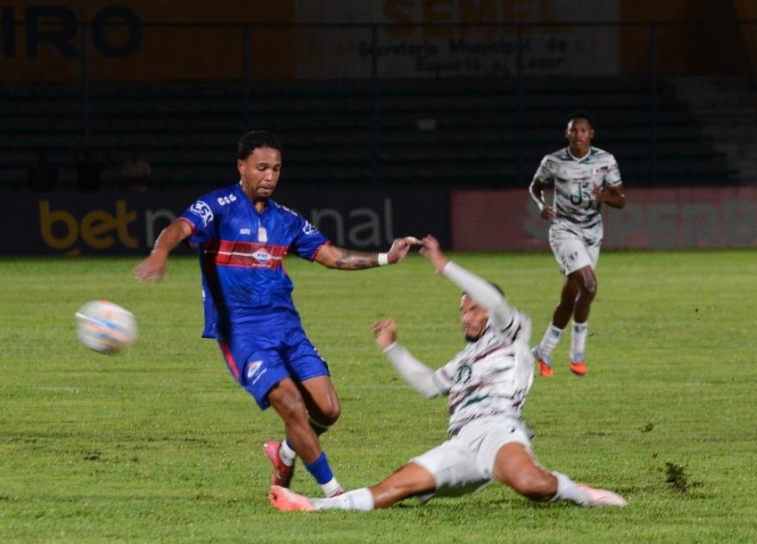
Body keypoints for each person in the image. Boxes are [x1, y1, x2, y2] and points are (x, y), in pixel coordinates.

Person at [134, 130, 418, 498]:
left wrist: (386, 257)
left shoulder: (287, 220)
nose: (269, 176)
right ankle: (335, 492)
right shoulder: (218, 206)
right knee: (288, 400)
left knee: (328, 410)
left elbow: (330, 256)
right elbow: (179, 227)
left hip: (286, 326)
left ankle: (285, 453)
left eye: (276, 169)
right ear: (242, 167)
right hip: (242, 331)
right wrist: (160, 253)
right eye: (261, 168)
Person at [269, 235, 627, 512]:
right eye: (462, 310)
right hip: (460, 442)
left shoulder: (512, 331)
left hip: (499, 431)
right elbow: (428, 386)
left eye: (474, 308)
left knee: (531, 484)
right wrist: (392, 347)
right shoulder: (464, 359)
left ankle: (582, 494)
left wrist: (445, 266)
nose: (467, 315)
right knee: (394, 487)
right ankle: (313, 506)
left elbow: (495, 301)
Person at [528, 110, 626, 377]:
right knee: (590, 286)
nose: (578, 135)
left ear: (591, 134)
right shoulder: (554, 161)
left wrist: (603, 195)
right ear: (567, 134)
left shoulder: (605, 160)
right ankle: (577, 354)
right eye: (573, 130)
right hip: (564, 229)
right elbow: (535, 186)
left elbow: (620, 199)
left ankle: (543, 350)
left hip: (592, 232)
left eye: (583, 131)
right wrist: (541, 205)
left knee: (570, 297)